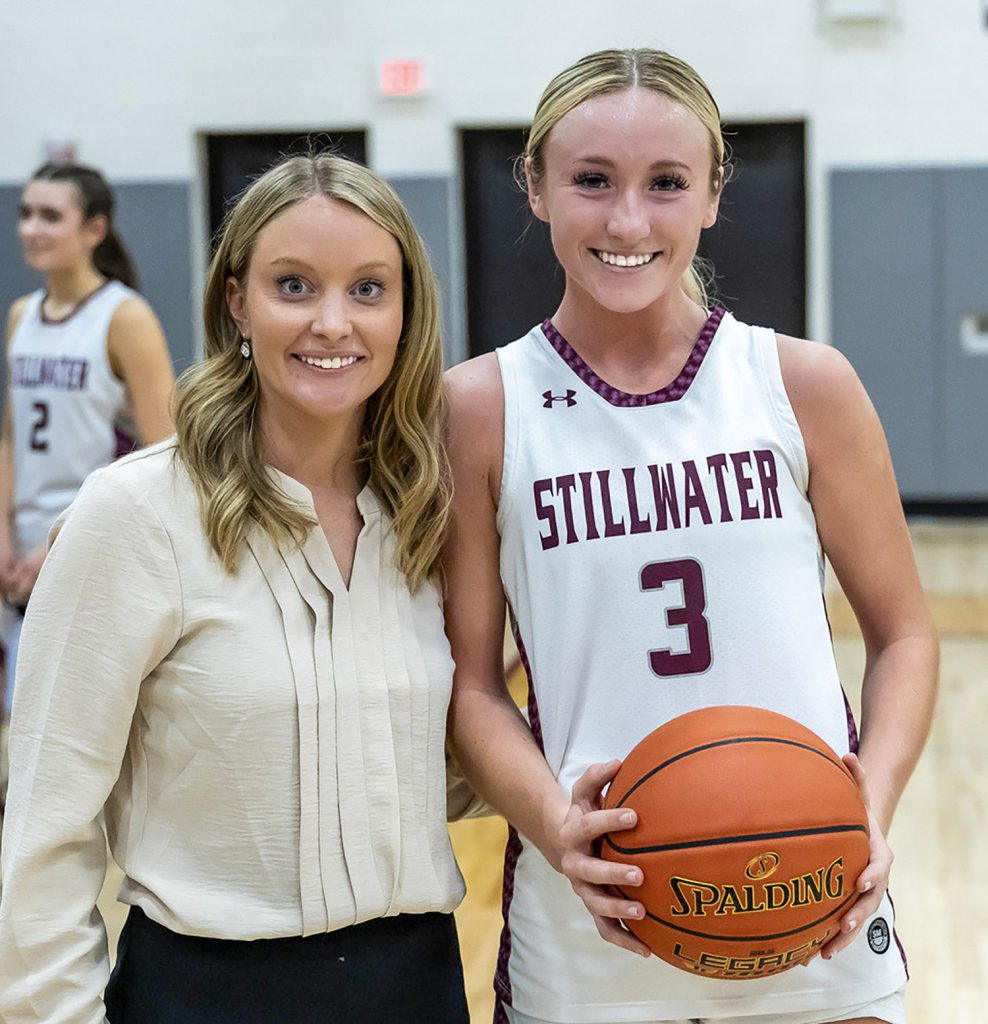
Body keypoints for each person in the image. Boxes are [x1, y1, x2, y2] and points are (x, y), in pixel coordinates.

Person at [443, 48, 938, 1024]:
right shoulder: (479, 405)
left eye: (665, 183)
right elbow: (468, 684)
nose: (628, 221)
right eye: (592, 181)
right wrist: (556, 827)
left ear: (712, 195)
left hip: (809, 890)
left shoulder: (802, 384)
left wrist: (864, 809)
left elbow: (906, 636)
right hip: (591, 909)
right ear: (535, 187)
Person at [0, 153, 470, 1023]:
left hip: (419, 985)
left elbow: (434, 771)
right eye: (294, 285)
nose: (334, 322)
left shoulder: (432, 515)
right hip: (207, 994)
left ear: (406, 311)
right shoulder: (135, 514)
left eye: (369, 289)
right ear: (236, 301)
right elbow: (44, 827)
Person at [0, 162, 175, 721]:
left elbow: (164, 453)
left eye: (51, 216)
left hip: (89, 539)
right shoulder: (22, 314)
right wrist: (3, 536)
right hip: (19, 550)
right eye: (25, 213)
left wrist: (56, 546)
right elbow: (10, 434)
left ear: (94, 229)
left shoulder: (124, 317)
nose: (32, 228)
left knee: (68, 725)